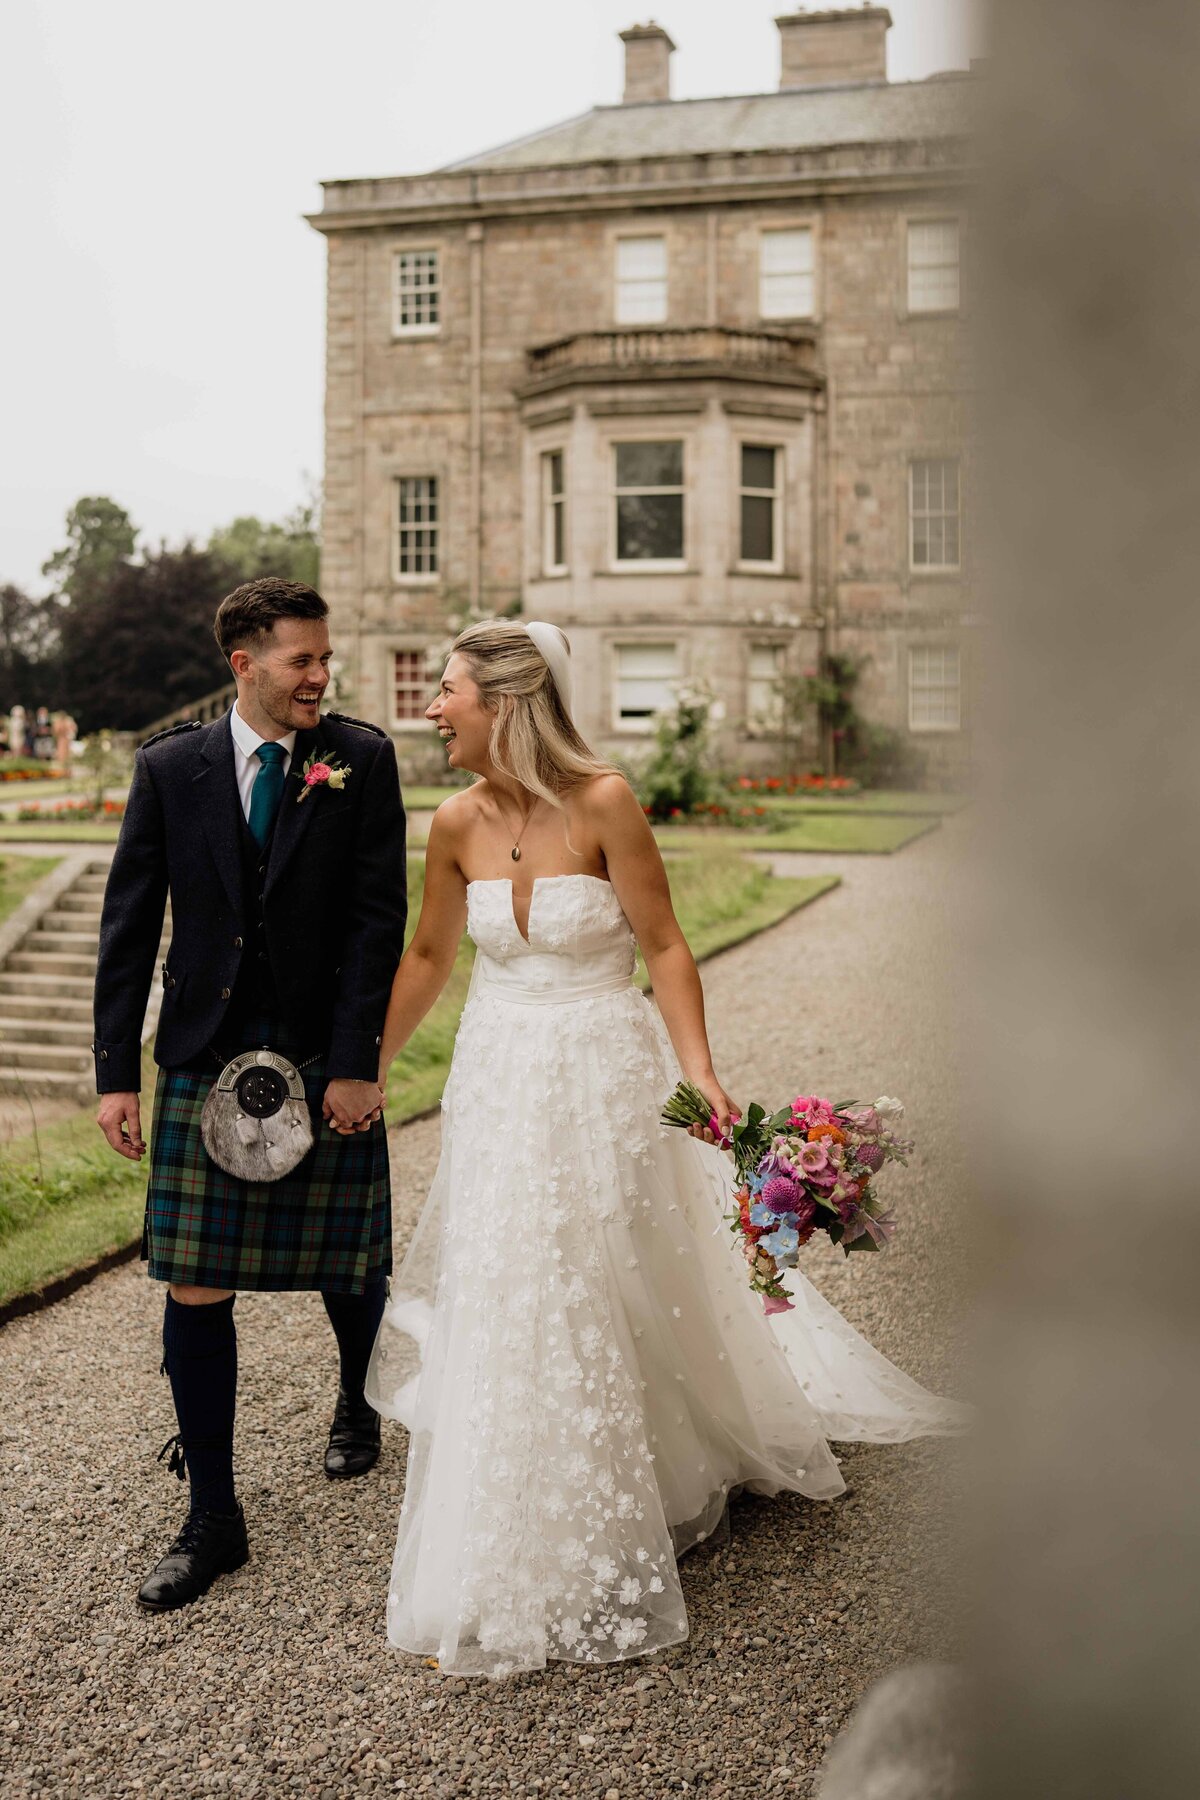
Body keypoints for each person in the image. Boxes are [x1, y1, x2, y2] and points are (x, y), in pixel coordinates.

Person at [365, 618, 966, 1679]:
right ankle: (526, 1475)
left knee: (620, 1263)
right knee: (517, 1274)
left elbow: (666, 941)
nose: (431, 706)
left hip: (603, 1066)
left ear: (504, 700)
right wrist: (367, 1068)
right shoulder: (452, 821)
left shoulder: (602, 801)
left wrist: (700, 1068)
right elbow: (427, 954)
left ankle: (673, 1444)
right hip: (502, 1074)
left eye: (446, 689)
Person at [93, 576, 406, 1612]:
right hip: (200, 1047)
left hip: (323, 1052)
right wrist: (114, 1078)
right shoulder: (171, 766)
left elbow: (376, 918)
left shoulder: (360, 758)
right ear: (246, 665)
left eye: (326, 659)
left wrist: (359, 1059)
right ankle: (214, 1518)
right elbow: (130, 924)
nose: (322, 676)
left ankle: (358, 1402)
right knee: (194, 1279)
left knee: (346, 1260)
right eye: (302, 661)